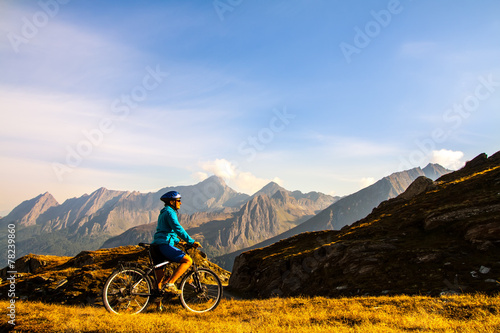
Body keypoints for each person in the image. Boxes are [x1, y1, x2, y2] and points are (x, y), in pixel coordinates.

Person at [151, 190, 201, 295]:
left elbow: (167, 231)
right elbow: (178, 228)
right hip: (164, 245)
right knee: (187, 260)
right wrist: (191, 241)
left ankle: (157, 306)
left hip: (156, 246)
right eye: (178, 200)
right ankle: (170, 284)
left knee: (159, 280)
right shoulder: (170, 212)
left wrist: (179, 242)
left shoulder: (164, 212)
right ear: (172, 202)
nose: (180, 203)